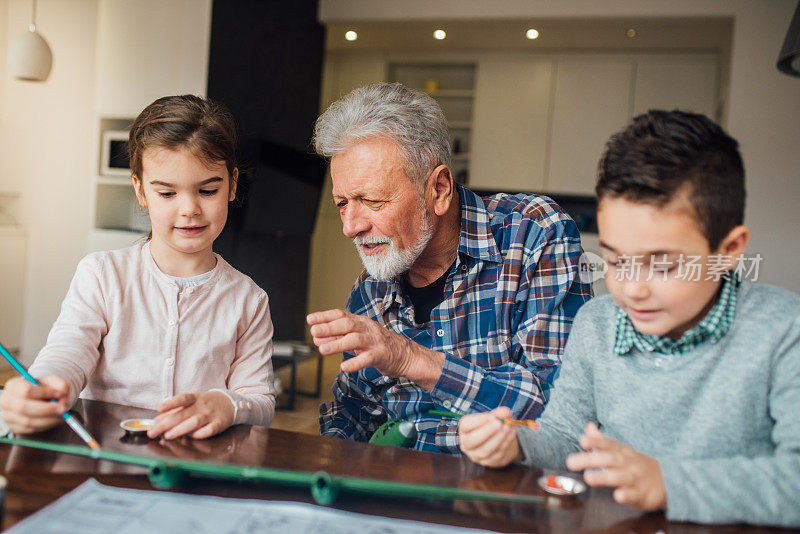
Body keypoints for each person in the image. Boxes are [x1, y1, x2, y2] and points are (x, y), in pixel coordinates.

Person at [458, 110, 800, 527]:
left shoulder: (783, 331)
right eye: (616, 261)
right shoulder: (597, 324)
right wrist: (516, 442)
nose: (632, 289)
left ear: (728, 250)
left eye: (663, 265)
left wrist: (667, 483)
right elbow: (566, 436)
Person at [308, 82, 591, 454]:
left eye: (372, 200)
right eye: (343, 203)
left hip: (499, 494)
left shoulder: (533, 234)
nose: (350, 226)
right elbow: (353, 415)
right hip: (397, 495)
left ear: (439, 188)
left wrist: (410, 358)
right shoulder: (369, 293)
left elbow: (558, 406)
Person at [0, 95, 276, 440]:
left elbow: (260, 401)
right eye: (166, 193)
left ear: (232, 184)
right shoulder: (102, 275)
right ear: (140, 190)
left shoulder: (249, 300)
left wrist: (228, 405)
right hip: (105, 459)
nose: (189, 209)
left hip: (193, 464)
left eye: (207, 190)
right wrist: (46, 387)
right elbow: (68, 351)